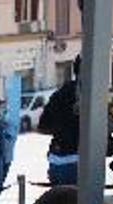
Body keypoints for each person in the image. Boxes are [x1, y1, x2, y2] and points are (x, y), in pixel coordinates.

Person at [39, 56, 83, 185]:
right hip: (77, 160)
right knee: (78, 203)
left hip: (57, 158)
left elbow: (43, 124)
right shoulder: (88, 94)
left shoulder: (59, 93)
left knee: (62, 202)